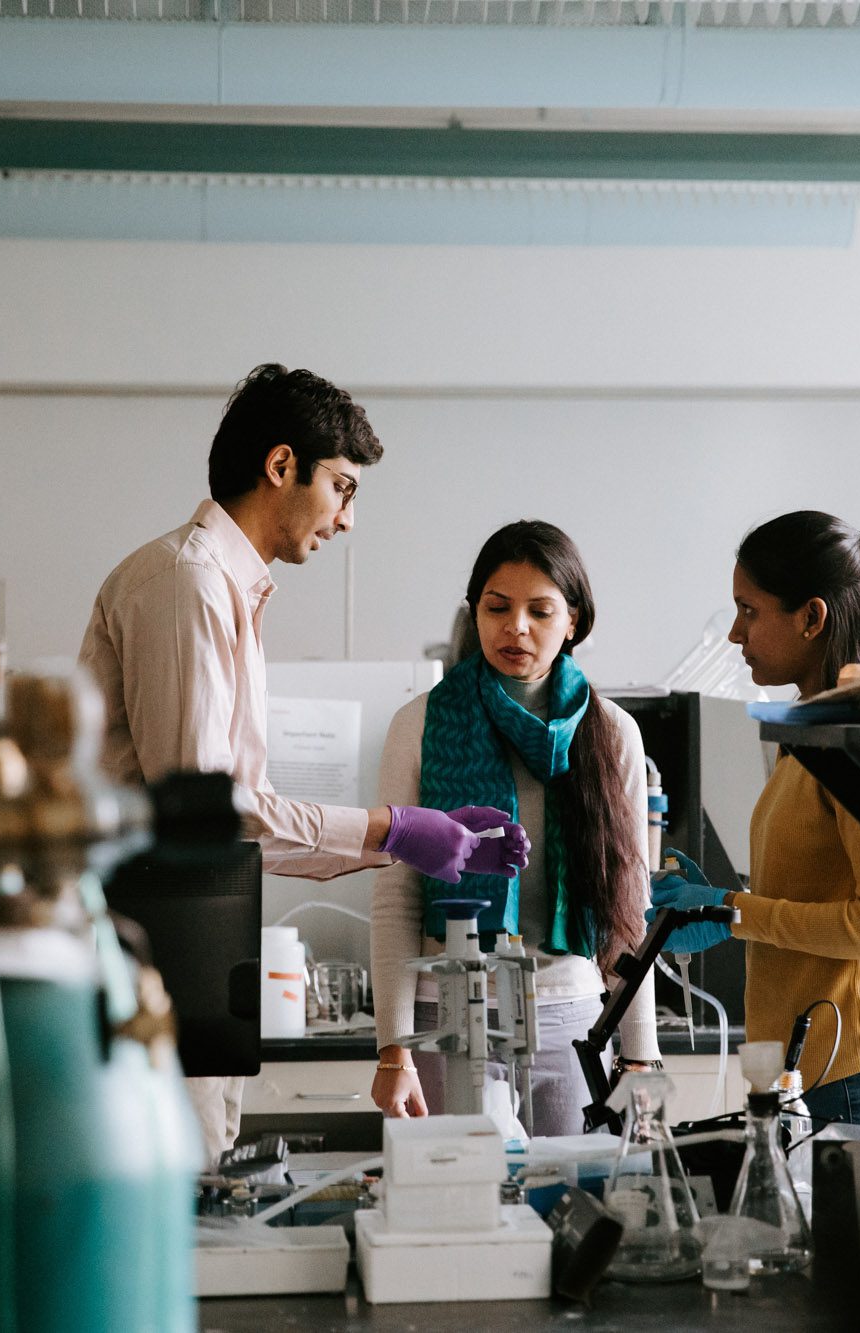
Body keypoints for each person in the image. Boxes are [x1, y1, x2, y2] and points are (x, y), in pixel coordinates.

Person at [77, 364, 529, 1163]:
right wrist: (394, 829)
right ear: (281, 467)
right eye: (343, 488)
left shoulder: (226, 590)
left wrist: (405, 835)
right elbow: (209, 812)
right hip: (145, 966)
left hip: (188, 959)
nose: (347, 520)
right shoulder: (186, 583)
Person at [369, 520, 662, 1136]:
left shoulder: (611, 733)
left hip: (573, 1016)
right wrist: (393, 1049)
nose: (517, 627)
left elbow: (628, 909)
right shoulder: (419, 724)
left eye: (540, 610)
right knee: (462, 1209)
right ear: (474, 612)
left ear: (574, 621)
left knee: (570, 1208)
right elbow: (395, 897)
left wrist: (639, 1053)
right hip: (445, 1015)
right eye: (497, 607)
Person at [650, 510, 860, 1130]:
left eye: (748, 610)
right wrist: (730, 907)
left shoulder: (857, 739)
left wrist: (736, 908)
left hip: (859, 1075)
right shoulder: (810, 735)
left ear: (811, 616)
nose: (733, 633)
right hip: (815, 1067)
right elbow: (826, 893)